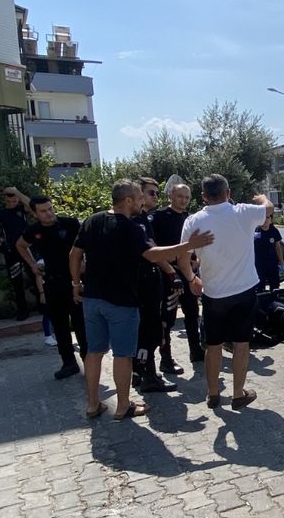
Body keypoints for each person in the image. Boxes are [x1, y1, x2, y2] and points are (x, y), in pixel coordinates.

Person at [69, 181, 214, 421]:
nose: (141, 202)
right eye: (138, 198)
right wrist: (189, 245)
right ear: (128, 200)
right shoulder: (131, 226)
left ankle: (93, 405)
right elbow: (153, 255)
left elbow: (74, 254)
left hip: (92, 300)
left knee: (94, 352)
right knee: (123, 355)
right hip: (122, 301)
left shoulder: (92, 221)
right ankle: (123, 406)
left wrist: (76, 284)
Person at [176, 174, 273, 411]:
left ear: (203, 196)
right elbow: (269, 208)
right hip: (244, 290)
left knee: (213, 345)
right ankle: (238, 394)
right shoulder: (243, 212)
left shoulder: (193, 221)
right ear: (228, 193)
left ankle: (213, 394)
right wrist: (262, 197)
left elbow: (182, 258)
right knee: (241, 344)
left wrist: (192, 279)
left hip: (213, 293)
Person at [16, 196, 88, 380]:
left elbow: (89, 242)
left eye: (50, 209)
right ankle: (68, 363)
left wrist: (85, 262)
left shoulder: (70, 224)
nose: (49, 213)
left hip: (74, 281)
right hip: (53, 282)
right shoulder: (34, 230)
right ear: (35, 213)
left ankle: (88, 361)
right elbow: (20, 245)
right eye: (43, 211)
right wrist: (33, 265)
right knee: (60, 325)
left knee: (81, 323)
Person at [132, 177, 177, 393]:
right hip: (141, 282)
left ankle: (141, 371)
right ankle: (148, 375)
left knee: (152, 328)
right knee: (147, 330)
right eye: (151, 193)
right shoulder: (134, 220)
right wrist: (171, 269)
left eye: (157, 193)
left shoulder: (143, 218)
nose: (155, 197)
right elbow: (151, 251)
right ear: (138, 195)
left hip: (150, 280)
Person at [151, 181, 203, 366]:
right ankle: (166, 358)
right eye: (180, 196)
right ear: (171, 196)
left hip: (188, 273)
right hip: (168, 274)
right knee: (167, 318)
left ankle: (195, 350)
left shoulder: (190, 218)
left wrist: (196, 260)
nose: (184, 200)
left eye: (187, 197)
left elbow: (196, 244)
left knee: (192, 313)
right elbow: (151, 246)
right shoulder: (158, 217)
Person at [0, 188, 34, 321]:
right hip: (11, 250)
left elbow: (31, 205)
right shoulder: (0, 214)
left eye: (14, 201)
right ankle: (22, 310)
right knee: (16, 280)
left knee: (35, 274)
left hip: (27, 247)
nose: (12, 204)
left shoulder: (22, 209)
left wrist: (17, 192)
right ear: (4, 200)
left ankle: (43, 305)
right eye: (9, 201)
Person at [253, 213, 284, 292]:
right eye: (263, 217)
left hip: (272, 264)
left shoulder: (274, 231)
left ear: (271, 220)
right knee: (259, 288)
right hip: (258, 264)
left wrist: (281, 262)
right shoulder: (255, 230)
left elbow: (278, 248)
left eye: (267, 218)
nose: (265, 220)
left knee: (275, 287)